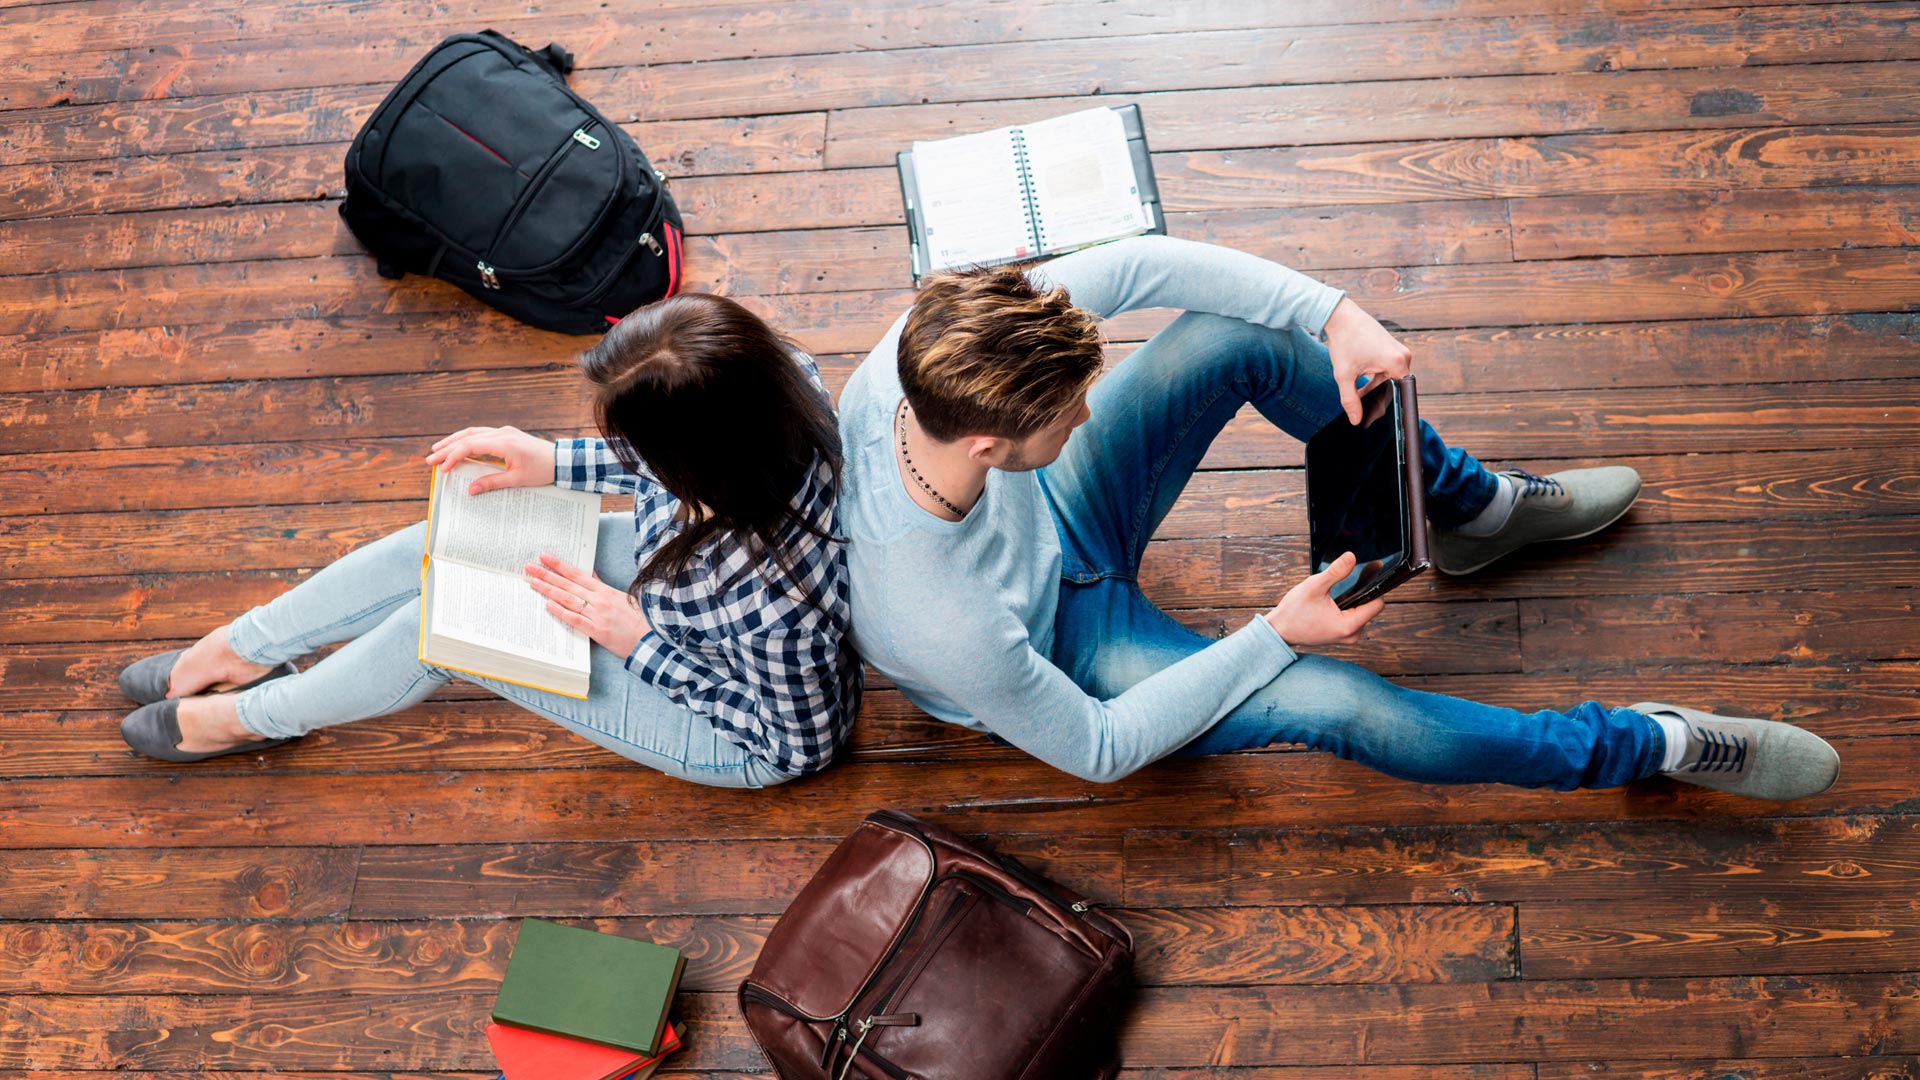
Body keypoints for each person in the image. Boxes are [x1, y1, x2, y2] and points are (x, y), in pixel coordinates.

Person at [836, 235, 1838, 801]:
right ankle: (1640, 745)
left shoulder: (942, 342)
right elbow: (1099, 748)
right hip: (1058, 647)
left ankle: (1471, 512)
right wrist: (1274, 634)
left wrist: (1334, 313)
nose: (1091, 409)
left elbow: (1146, 265)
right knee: (1340, 704)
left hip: (1055, 512)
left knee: (1236, 333)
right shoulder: (938, 620)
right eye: (1068, 412)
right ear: (987, 444)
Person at [117, 294, 860, 788]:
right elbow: (681, 453)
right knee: (446, 542)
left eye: (635, 442)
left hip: (726, 722)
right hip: (681, 583)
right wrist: (552, 460)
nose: (624, 451)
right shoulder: (774, 386)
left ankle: (247, 720)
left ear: (687, 459)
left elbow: (795, 745)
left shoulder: (774, 602)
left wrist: (638, 643)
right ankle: (238, 650)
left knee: (438, 630)